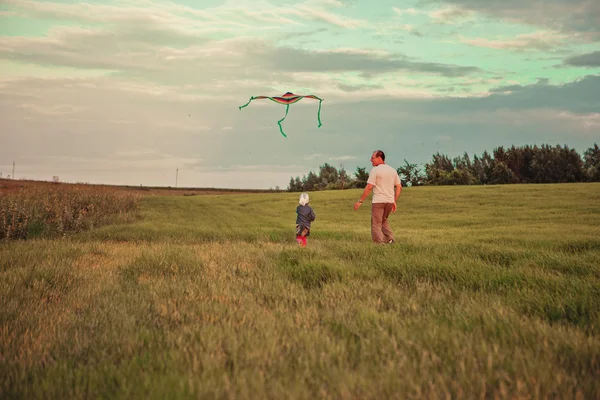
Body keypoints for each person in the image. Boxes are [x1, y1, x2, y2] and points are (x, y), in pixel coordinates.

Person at [353, 150, 402, 244]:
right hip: (389, 201)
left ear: (379, 158)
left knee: (376, 223)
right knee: (384, 220)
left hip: (378, 201)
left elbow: (369, 187)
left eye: (372, 158)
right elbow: (399, 186)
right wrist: (394, 200)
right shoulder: (392, 170)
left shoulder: (375, 170)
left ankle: (379, 244)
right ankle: (390, 239)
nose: (371, 160)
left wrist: (360, 201)